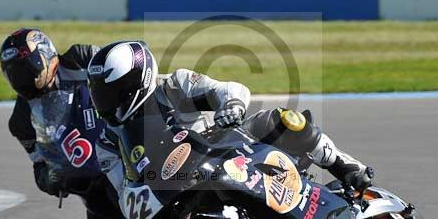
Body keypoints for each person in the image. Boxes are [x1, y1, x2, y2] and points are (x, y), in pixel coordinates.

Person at [85, 40, 374, 195]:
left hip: (225, 152)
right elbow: (127, 192)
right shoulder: (108, 144)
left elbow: (228, 90)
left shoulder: (173, 87)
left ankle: (343, 164)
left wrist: (231, 106)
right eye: (100, 95)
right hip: (181, 191)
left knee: (279, 120)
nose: (107, 104)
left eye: (114, 93)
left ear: (139, 79)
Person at [0, 28, 133, 219]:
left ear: (45, 56)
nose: (21, 80)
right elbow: (38, 165)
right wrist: (52, 178)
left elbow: (124, 74)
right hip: (88, 169)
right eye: (13, 74)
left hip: (120, 135)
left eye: (25, 70)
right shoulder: (20, 121)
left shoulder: (82, 59)